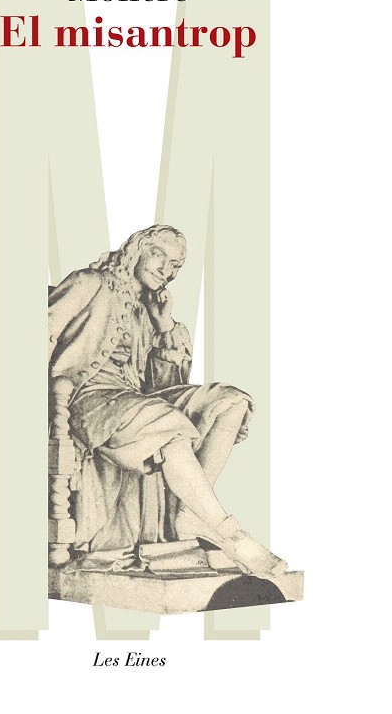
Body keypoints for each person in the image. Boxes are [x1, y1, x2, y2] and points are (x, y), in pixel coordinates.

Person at [48, 224, 287, 577]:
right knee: (168, 426)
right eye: (159, 255)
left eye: (176, 265)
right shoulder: (90, 282)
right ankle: (232, 535)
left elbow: (162, 385)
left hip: (134, 400)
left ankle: (190, 514)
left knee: (231, 402)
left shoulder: (149, 307)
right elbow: (37, 334)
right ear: (135, 250)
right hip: (87, 399)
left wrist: (163, 328)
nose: (166, 270)